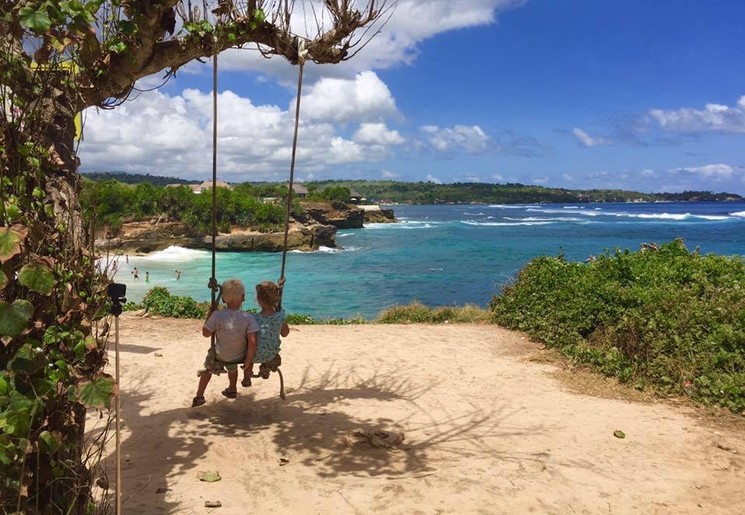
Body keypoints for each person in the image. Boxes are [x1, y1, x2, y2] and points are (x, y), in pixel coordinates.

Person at [192, 278, 258, 407]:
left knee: (208, 368)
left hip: (220, 355)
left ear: (222, 299)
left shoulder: (217, 315)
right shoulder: (248, 317)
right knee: (232, 365)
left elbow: (206, 333)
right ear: (243, 297)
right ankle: (232, 389)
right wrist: (249, 359)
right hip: (240, 356)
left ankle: (199, 396)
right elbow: (252, 341)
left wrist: (211, 313)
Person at [242, 278, 290, 387]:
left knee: (250, 352)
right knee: (266, 348)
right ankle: (265, 368)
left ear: (258, 300)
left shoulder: (254, 318)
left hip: (254, 356)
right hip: (271, 354)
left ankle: (246, 378)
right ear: (276, 300)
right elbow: (285, 333)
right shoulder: (280, 315)